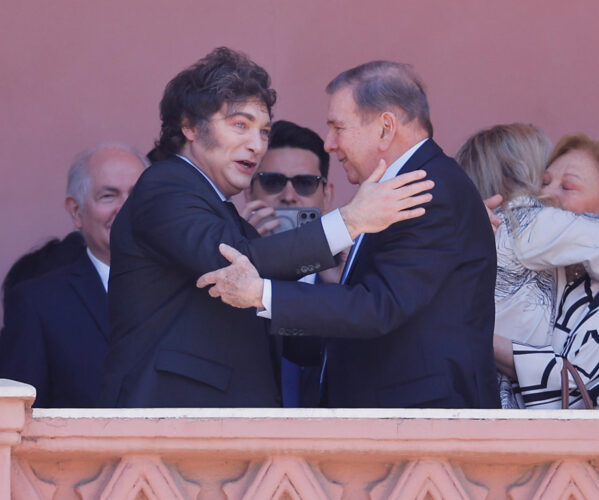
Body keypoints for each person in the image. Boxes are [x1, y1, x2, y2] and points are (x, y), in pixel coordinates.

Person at [100, 48, 432, 408]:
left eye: (264, 131)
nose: (257, 145)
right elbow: (233, 261)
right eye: (240, 125)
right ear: (191, 126)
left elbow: (295, 339)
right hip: (172, 427)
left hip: (220, 432)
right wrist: (351, 221)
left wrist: (367, 290)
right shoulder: (164, 185)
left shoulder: (230, 220)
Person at [198, 61, 500, 409]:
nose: (329, 144)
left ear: (385, 128)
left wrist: (261, 293)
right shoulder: (399, 188)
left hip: (421, 426)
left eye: (338, 127)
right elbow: (359, 328)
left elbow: (378, 306)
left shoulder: (426, 188)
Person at [455, 124, 599, 407]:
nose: (546, 195)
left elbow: (574, 385)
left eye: (567, 187)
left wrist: (473, 334)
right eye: (543, 183)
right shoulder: (554, 270)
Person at [0, 143, 147, 407]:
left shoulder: (193, 289)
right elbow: (18, 423)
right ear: (76, 212)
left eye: (138, 195)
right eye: (108, 196)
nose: (127, 209)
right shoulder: (38, 305)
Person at [242, 119, 336, 407]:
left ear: (327, 195)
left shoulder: (349, 279)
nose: (289, 196)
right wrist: (247, 252)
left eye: (305, 183)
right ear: (249, 191)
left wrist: (340, 286)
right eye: (273, 182)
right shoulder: (225, 269)